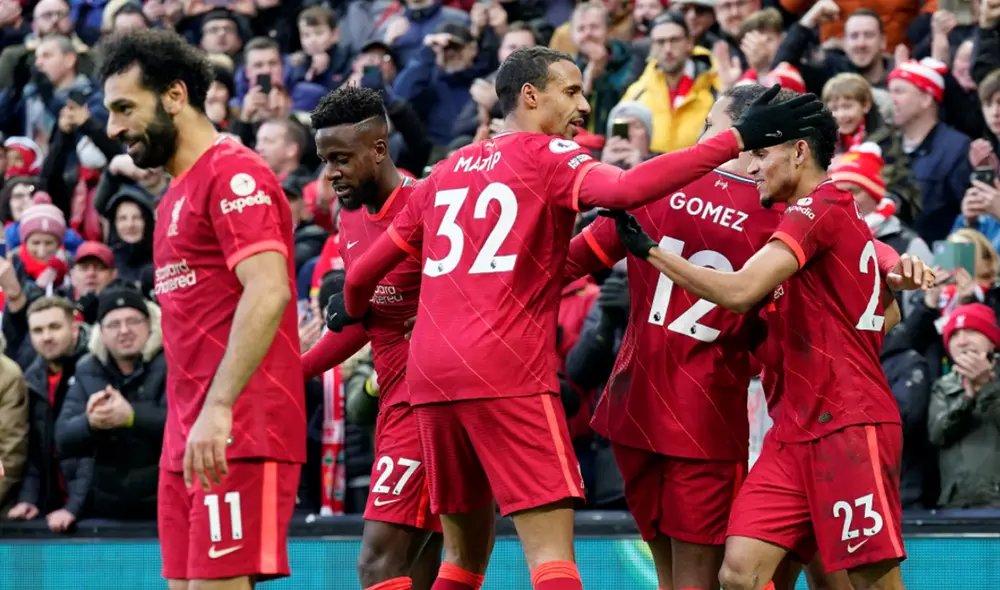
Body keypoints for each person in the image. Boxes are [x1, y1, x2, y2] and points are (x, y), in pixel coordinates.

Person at [326, 46, 826, 590]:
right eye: (571, 91)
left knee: (462, 557)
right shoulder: (791, 218)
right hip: (672, 410)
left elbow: (365, 278)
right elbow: (625, 193)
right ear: (530, 96)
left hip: (492, 387)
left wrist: (383, 307)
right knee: (563, 562)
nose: (584, 105)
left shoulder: (447, 169)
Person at [562, 83, 932, 590]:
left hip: (649, 405)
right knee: (755, 575)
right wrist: (890, 266)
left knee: (825, 576)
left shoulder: (664, 188)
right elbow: (876, 284)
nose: (703, 141)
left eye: (712, 128)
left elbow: (573, 261)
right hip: (739, 418)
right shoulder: (785, 211)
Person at [99, 29, 305, 589]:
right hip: (188, 437)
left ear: (174, 95)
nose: (113, 128)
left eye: (124, 108)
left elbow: (269, 290)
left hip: (239, 426)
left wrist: (219, 408)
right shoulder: (170, 199)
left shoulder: (235, 174)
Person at [302, 86, 445, 590]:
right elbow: (368, 320)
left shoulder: (430, 205)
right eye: (325, 160)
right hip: (394, 404)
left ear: (379, 149)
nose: (330, 173)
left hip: (429, 405)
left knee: (376, 563)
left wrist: (439, 313)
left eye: (341, 159)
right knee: (420, 570)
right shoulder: (350, 215)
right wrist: (296, 369)